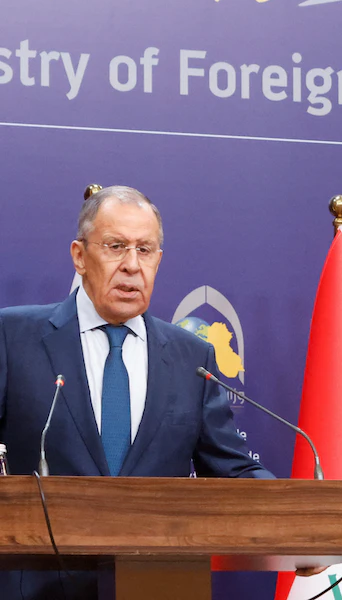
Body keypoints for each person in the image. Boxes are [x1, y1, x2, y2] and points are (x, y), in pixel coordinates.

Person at [0, 186, 273, 599]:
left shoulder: (191, 356)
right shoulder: (13, 336)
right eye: (115, 247)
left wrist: (300, 519)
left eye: (144, 250)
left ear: (158, 260)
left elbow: (233, 469)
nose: (131, 265)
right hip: (38, 587)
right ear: (79, 256)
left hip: (155, 584)